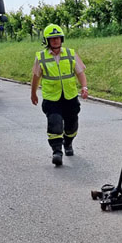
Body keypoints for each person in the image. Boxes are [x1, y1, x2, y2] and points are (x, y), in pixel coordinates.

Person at [31, 24, 88, 166]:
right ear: (47, 41)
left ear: (61, 39)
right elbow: (36, 77)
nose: (55, 41)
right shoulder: (41, 57)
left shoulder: (70, 54)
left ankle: (68, 143)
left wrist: (84, 87)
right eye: (52, 38)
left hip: (70, 97)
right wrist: (33, 94)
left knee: (72, 125)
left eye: (57, 38)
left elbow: (80, 72)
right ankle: (57, 152)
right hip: (52, 98)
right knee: (55, 124)